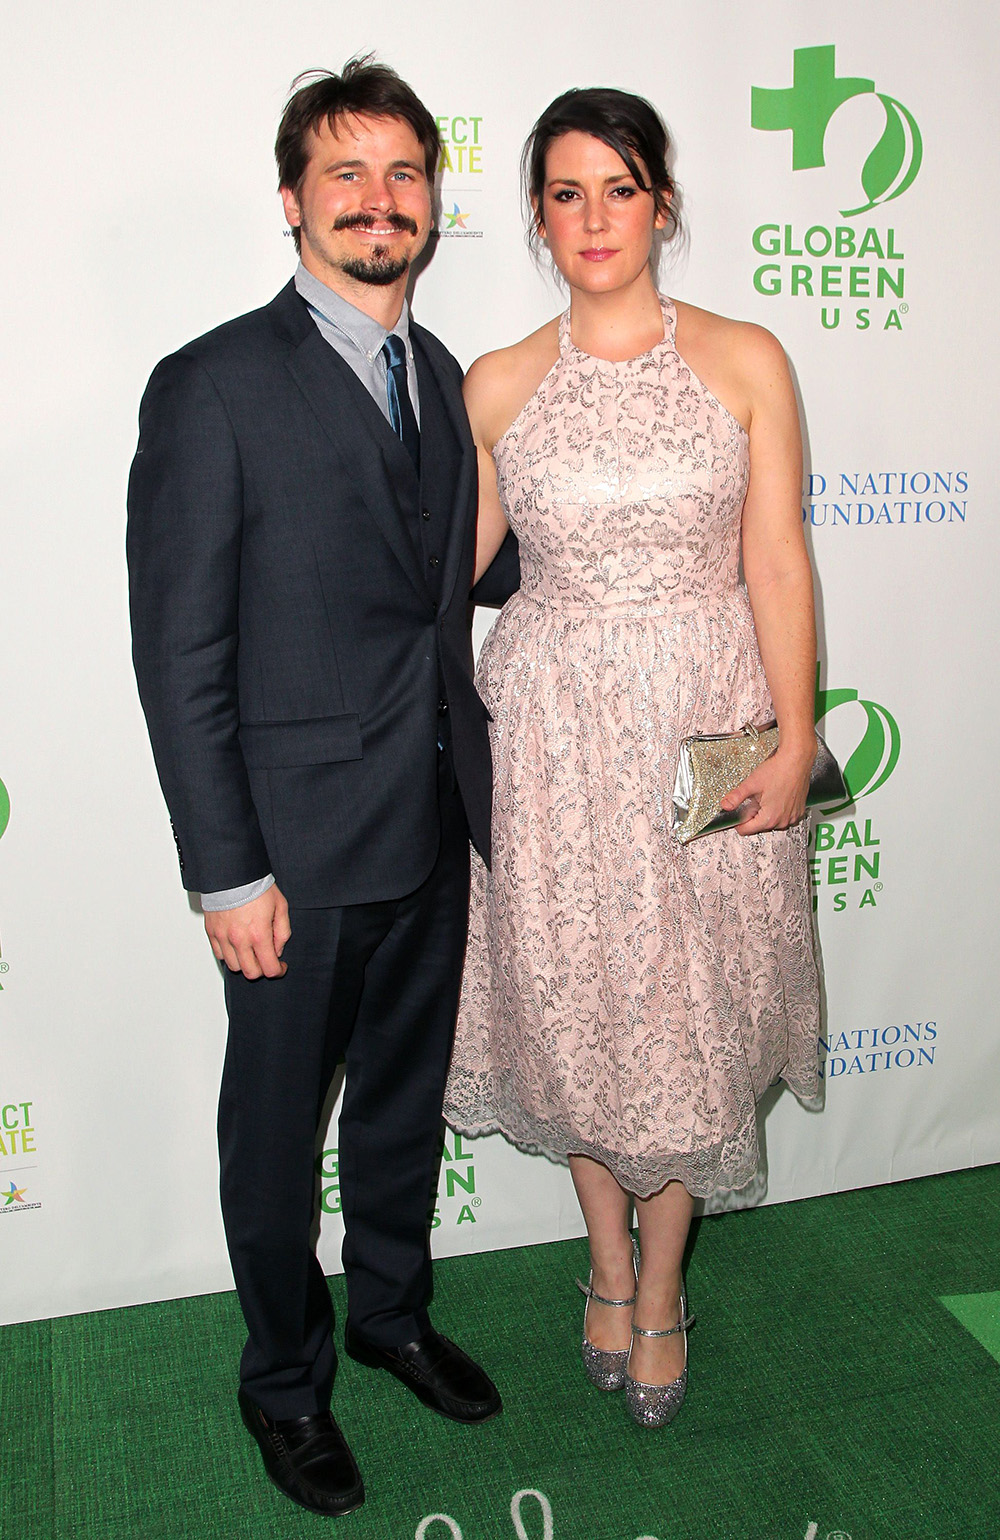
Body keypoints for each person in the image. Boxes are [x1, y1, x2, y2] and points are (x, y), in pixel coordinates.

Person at [127, 58, 504, 1519]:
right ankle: (285, 1384)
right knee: (276, 1143)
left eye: (404, 173)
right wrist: (226, 873)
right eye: (344, 175)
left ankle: (393, 1316)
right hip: (286, 855)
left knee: (401, 1106)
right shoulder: (213, 384)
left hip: (430, 825)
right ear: (292, 204)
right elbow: (181, 651)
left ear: (433, 200)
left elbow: (463, 578)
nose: (377, 200)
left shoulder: (454, 375)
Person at [443, 87, 820, 1429]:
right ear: (538, 218)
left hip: (705, 725)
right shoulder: (494, 381)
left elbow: (775, 557)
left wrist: (801, 725)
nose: (594, 218)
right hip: (547, 736)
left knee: (694, 1010)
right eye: (565, 192)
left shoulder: (745, 359)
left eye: (619, 187)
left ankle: (662, 1282)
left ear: (662, 200)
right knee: (580, 1007)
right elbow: (457, 577)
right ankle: (602, 1256)